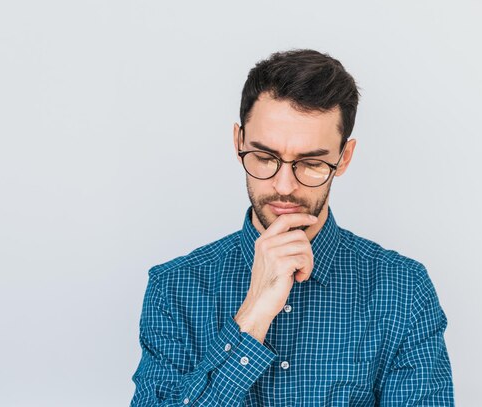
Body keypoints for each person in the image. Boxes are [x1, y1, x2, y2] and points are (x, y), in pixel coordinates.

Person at [130, 49, 454, 406]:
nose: (284, 185)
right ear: (239, 142)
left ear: (343, 157)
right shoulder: (175, 288)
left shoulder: (403, 290)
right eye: (265, 157)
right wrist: (252, 315)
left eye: (311, 163)